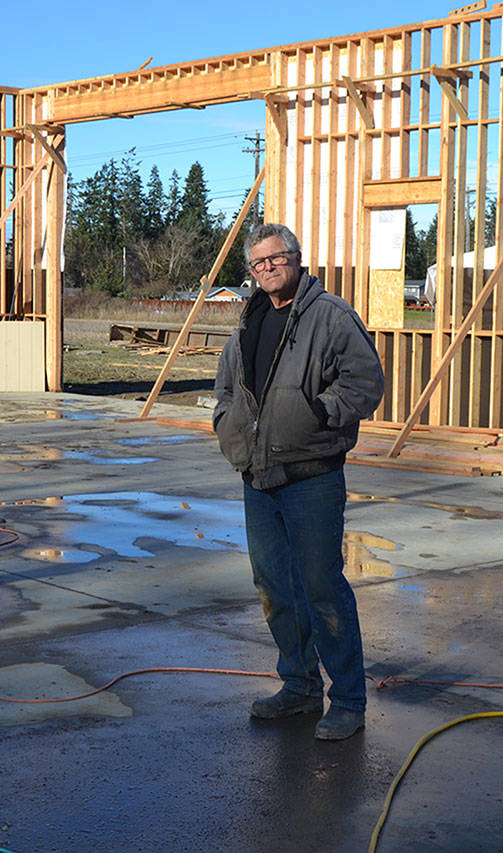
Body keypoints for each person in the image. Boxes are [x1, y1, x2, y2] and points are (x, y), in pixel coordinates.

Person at [212, 223, 384, 741]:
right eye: (258, 262)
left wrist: (320, 414)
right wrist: (227, 425)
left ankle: (348, 701)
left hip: (311, 476)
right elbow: (227, 387)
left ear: (296, 258)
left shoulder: (329, 315)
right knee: (275, 588)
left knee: (322, 587)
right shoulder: (250, 319)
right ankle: (300, 685)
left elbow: (365, 380)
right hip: (258, 475)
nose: (267, 268)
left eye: (276, 258)